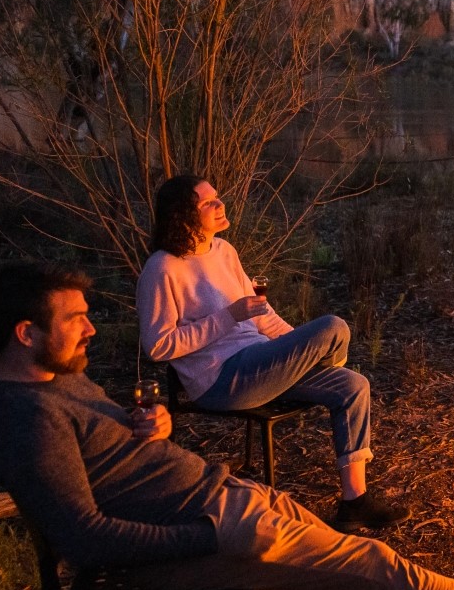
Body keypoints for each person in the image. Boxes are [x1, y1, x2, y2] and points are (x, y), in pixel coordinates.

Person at [0, 263, 454, 590]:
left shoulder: (56, 377)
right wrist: (208, 535)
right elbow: (86, 540)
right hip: (204, 532)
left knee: (363, 569)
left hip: (221, 497)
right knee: (371, 561)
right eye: (74, 319)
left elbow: (108, 452)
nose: (91, 330)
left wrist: (156, 427)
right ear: (26, 333)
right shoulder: (28, 420)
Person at [137, 174, 404, 530]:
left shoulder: (225, 252)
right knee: (333, 326)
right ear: (183, 217)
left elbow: (262, 315)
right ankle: (320, 363)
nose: (221, 206)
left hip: (262, 362)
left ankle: (354, 502)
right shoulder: (162, 268)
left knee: (352, 385)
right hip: (222, 379)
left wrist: (299, 351)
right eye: (208, 203)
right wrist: (228, 317)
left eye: (218, 198)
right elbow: (158, 345)